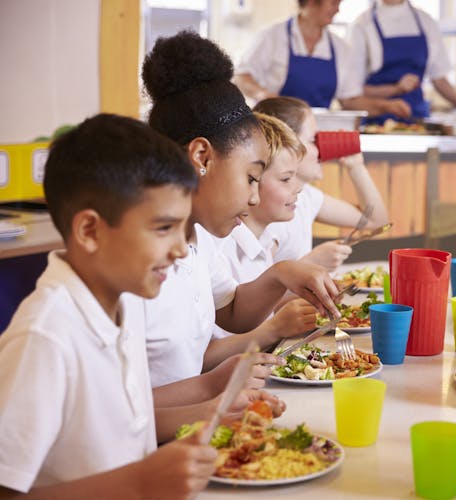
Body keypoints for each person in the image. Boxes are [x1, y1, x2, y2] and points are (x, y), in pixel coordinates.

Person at [0, 114, 283, 497]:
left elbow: (120, 425)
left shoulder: (122, 305)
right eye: (163, 228)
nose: (182, 249)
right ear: (90, 231)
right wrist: (140, 482)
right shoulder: (46, 336)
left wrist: (210, 403)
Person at [141, 30, 340, 388]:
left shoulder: (198, 237)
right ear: (202, 157)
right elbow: (126, 408)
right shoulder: (141, 265)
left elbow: (231, 311)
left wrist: (282, 273)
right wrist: (215, 388)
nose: (253, 197)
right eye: (251, 178)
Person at [212, 112, 318, 342]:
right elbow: (207, 353)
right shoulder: (221, 248)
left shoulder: (264, 242)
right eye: (286, 179)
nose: (298, 188)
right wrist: (276, 327)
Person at [254, 96, 390, 271]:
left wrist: (356, 167)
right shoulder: (270, 214)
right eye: (313, 140)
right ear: (287, 144)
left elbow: (375, 220)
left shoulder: (305, 197)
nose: (322, 148)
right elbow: (253, 294)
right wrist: (311, 264)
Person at [233, 0, 411, 119]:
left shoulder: (340, 48)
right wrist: (261, 93)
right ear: (311, 2)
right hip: (274, 133)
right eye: (333, 2)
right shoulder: (272, 37)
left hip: (316, 136)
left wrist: (386, 106)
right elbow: (241, 77)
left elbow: (350, 101)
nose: (338, 9)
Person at [348, 0, 456, 123]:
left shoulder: (426, 22)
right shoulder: (362, 25)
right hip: (375, 123)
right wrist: (396, 89)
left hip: (417, 120)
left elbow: (440, 79)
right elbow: (352, 92)